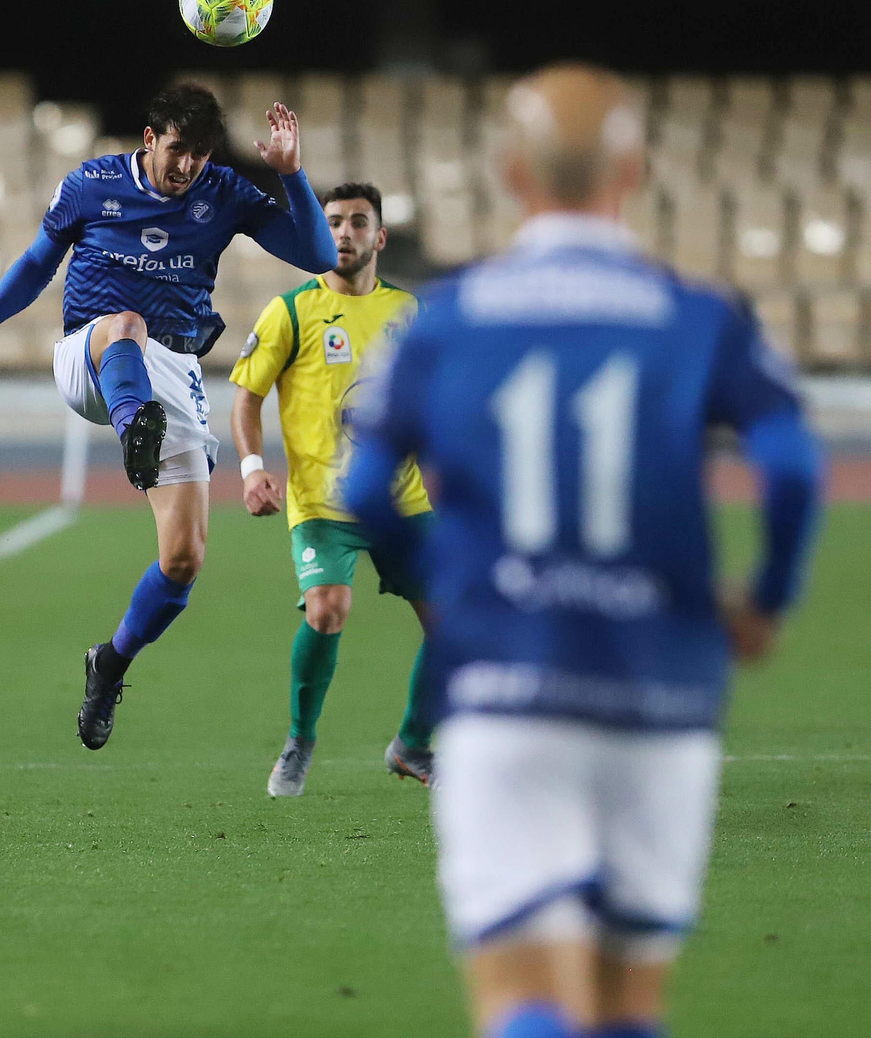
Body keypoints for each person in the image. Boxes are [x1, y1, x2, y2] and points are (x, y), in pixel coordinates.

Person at [344, 64, 823, 1038]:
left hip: (507, 688)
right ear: (634, 168)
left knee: (523, 998)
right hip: (662, 688)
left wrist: (451, 583)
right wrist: (764, 597)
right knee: (625, 1003)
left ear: (511, 173)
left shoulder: (447, 317)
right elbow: (793, 466)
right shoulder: (700, 316)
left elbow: (362, 488)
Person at [0, 84, 336, 750]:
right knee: (123, 322)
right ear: (150, 139)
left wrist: (290, 173)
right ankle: (135, 431)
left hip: (173, 371)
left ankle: (110, 663)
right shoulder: (91, 185)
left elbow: (321, 256)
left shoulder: (225, 192)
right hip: (92, 358)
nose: (187, 166)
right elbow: (41, 261)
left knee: (183, 559)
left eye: (201, 154)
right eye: (177, 149)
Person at [229, 182, 436, 796]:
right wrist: (251, 469)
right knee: (327, 608)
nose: (345, 233)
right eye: (335, 222)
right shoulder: (291, 310)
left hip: (404, 502)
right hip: (322, 502)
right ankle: (299, 741)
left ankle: (414, 745)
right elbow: (247, 397)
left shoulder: (410, 313)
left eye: (357, 222)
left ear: (381, 236)